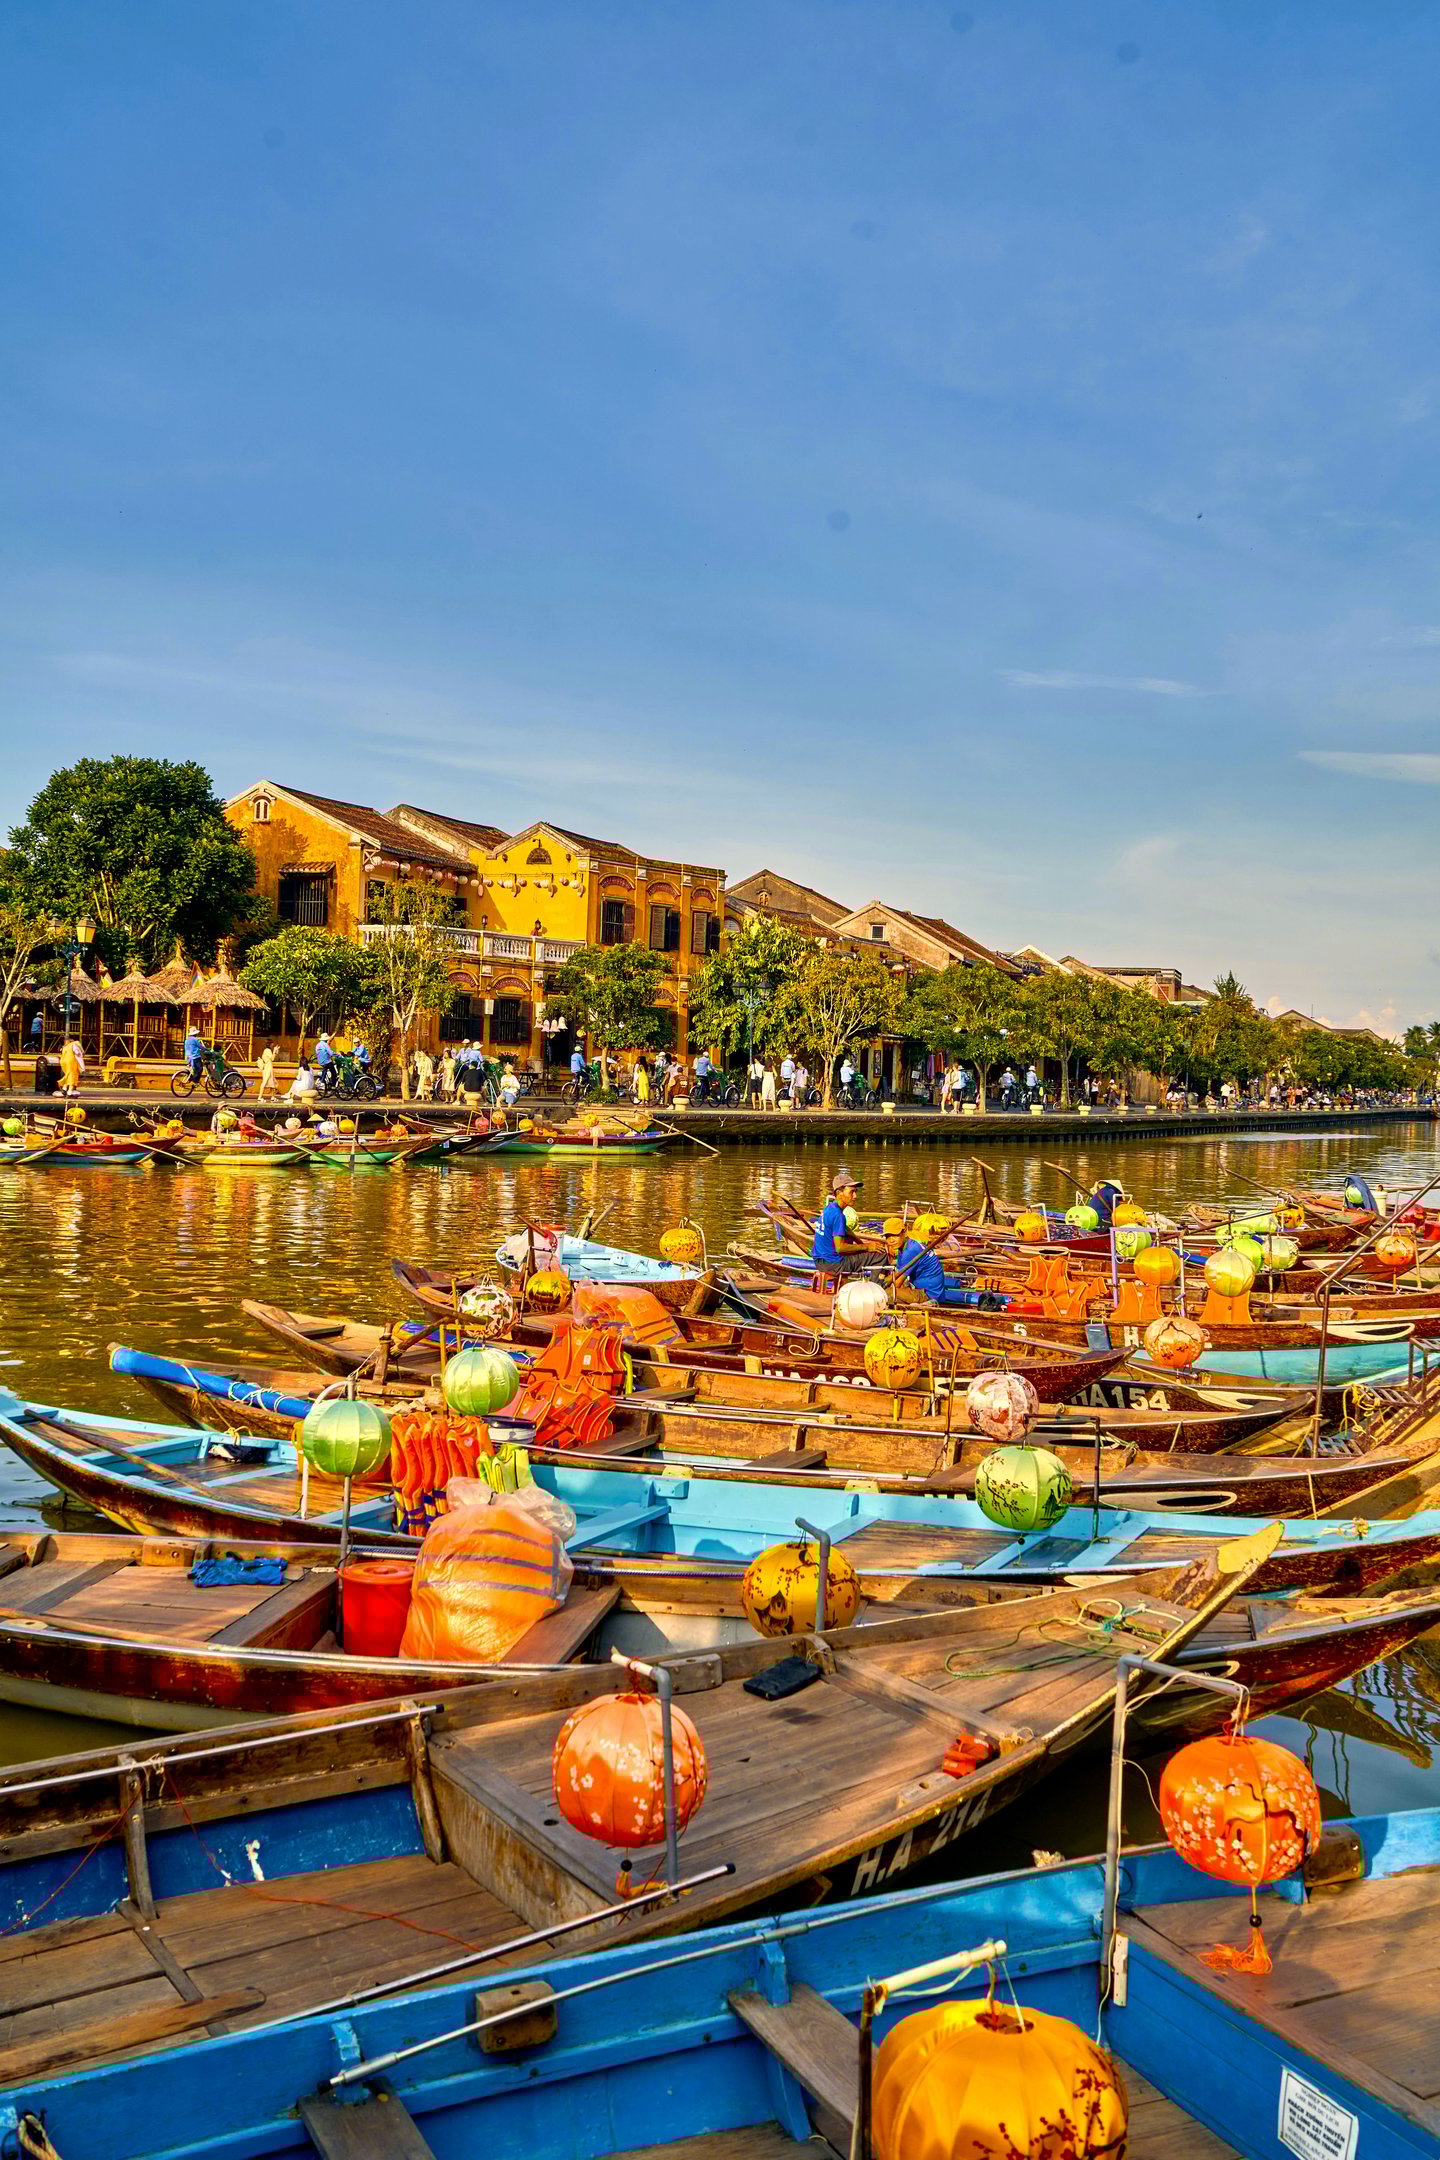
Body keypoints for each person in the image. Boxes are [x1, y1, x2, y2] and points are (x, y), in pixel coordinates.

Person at [811, 1168, 866, 1273]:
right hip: (833, 1264)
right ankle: (881, 1282)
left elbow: (846, 1229)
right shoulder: (838, 1215)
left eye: (855, 1192)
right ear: (840, 1193)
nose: (855, 1196)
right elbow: (840, 1248)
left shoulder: (829, 1207)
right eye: (852, 1192)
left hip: (819, 1261)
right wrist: (867, 1247)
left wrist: (859, 1241)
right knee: (879, 1258)